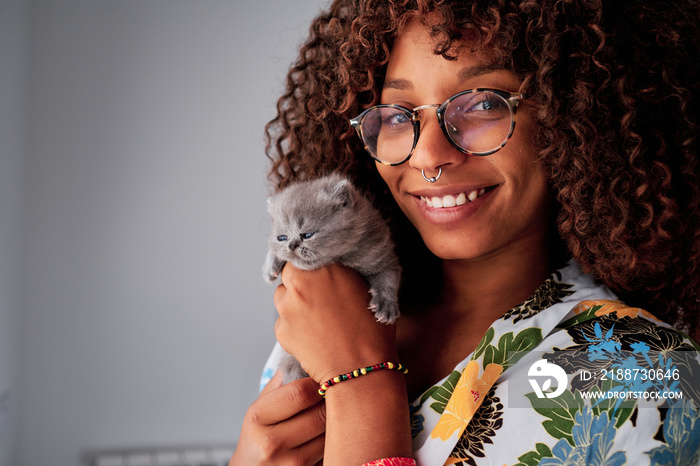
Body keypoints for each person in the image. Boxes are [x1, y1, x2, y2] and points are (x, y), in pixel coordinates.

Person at [230, 0, 700, 464]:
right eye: (396, 115)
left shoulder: (653, 378)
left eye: (481, 104)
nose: (428, 155)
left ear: (571, 115)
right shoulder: (327, 310)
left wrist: (364, 389)